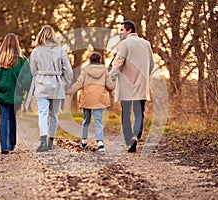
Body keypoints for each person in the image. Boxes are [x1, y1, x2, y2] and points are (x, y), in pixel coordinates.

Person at [110, 20, 154, 152]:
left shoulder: (124, 44)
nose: (120, 32)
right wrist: (145, 76)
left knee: (126, 113)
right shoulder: (146, 44)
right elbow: (151, 64)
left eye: (122, 30)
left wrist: (109, 79)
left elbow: (118, 63)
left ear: (129, 30)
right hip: (141, 84)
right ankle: (136, 136)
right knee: (139, 112)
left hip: (126, 86)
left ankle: (129, 140)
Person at [29, 25, 73, 152]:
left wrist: (38, 79)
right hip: (57, 85)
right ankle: (50, 142)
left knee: (42, 113)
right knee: (53, 114)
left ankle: (42, 141)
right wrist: (66, 84)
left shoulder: (36, 52)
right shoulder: (60, 51)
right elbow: (68, 71)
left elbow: (33, 70)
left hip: (42, 84)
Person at [0, 33, 32, 155]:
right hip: (16, 94)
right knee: (12, 117)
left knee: (3, 118)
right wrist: (27, 91)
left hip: (1, 92)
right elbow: (27, 78)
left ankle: (4, 147)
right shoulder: (22, 61)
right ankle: (12, 144)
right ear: (17, 45)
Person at [66, 52, 114, 152]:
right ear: (100, 60)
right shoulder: (104, 70)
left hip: (87, 98)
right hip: (99, 98)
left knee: (86, 120)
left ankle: (83, 141)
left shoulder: (85, 69)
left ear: (90, 60)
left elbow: (79, 83)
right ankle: (100, 143)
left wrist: (70, 91)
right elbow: (110, 85)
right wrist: (110, 88)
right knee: (98, 121)